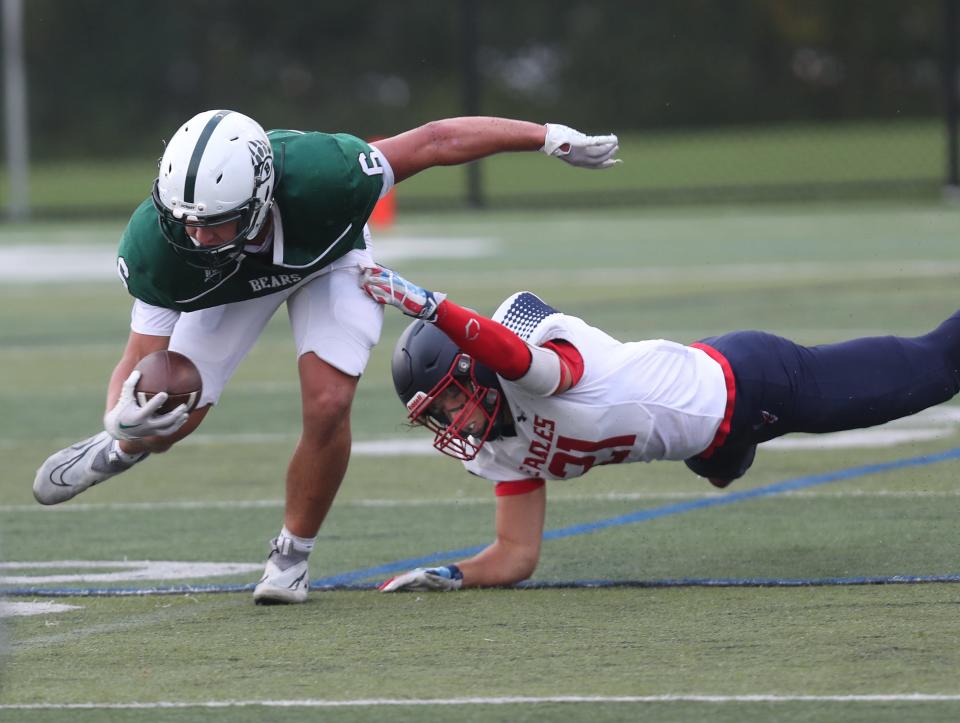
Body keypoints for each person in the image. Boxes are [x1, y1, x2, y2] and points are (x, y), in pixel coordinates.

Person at [31, 109, 621, 604]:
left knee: (329, 399)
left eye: (216, 225)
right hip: (233, 287)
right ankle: (118, 450)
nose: (197, 239)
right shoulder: (161, 247)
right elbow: (141, 355)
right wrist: (120, 418)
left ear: (263, 197)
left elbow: (436, 141)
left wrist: (546, 136)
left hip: (329, 261)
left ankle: (291, 556)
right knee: (165, 404)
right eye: (185, 224)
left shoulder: (328, 175)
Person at [359, 265, 960, 591]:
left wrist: (433, 306)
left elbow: (519, 362)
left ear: (475, 367)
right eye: (437, 415)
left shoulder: (532, 361)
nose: (452, 421)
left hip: (752, 383)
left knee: (936, 368)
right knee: (722, 470)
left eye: (450, 401)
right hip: (708, 438)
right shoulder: (498, 448)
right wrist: (454, 573)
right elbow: (516, 555)